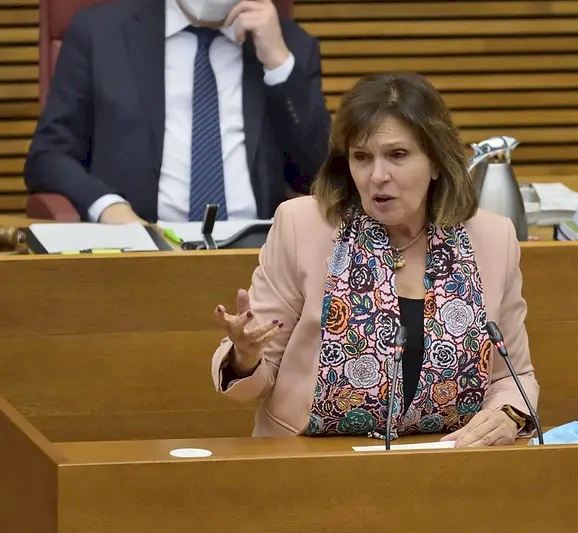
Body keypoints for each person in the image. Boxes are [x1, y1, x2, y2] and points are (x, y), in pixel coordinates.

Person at [211, 72, 539, 447]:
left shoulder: (493, 239)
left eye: (397, 155)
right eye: (362, 157)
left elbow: (514, 377)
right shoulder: (302, 226)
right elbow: (254, 378)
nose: (378, 176)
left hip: (448, 460)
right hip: (312, 454)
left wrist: (508, 416)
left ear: (436, 162)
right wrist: (245, 356)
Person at [24, 0, 330, 223]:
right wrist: (108, 207)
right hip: (139, 249)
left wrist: (279, 65)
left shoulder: (290, 46)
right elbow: (48, 156)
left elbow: (321, 176)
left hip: (257, 258)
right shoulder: (100, 34)